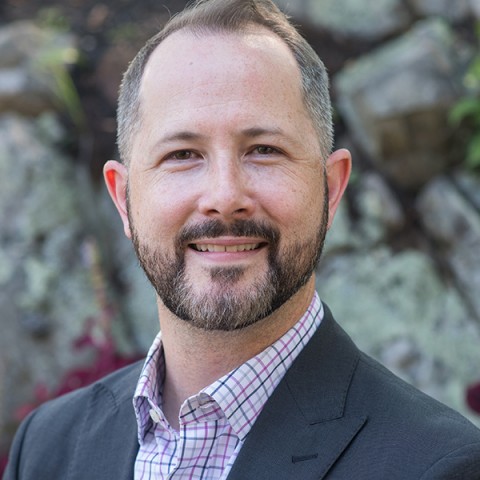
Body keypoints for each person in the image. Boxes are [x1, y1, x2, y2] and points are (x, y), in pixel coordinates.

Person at [5, 0, 480, 478]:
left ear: (331, 189)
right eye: (183, 154)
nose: (225, 196)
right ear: (124, 198)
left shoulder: (437, 465)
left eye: (264, 150)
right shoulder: (47, 448)